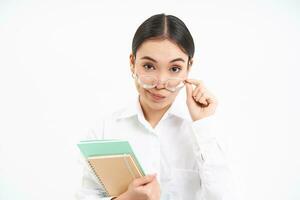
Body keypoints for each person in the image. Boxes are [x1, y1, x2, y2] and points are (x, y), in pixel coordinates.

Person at [76, 13, 235, 200]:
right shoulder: (105, 129)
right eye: (149, 66)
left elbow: (223, 196)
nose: (160, 82)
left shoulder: (204, 131)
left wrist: (202, 124)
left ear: (188, 68)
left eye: (174, 69)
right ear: (132, 63)